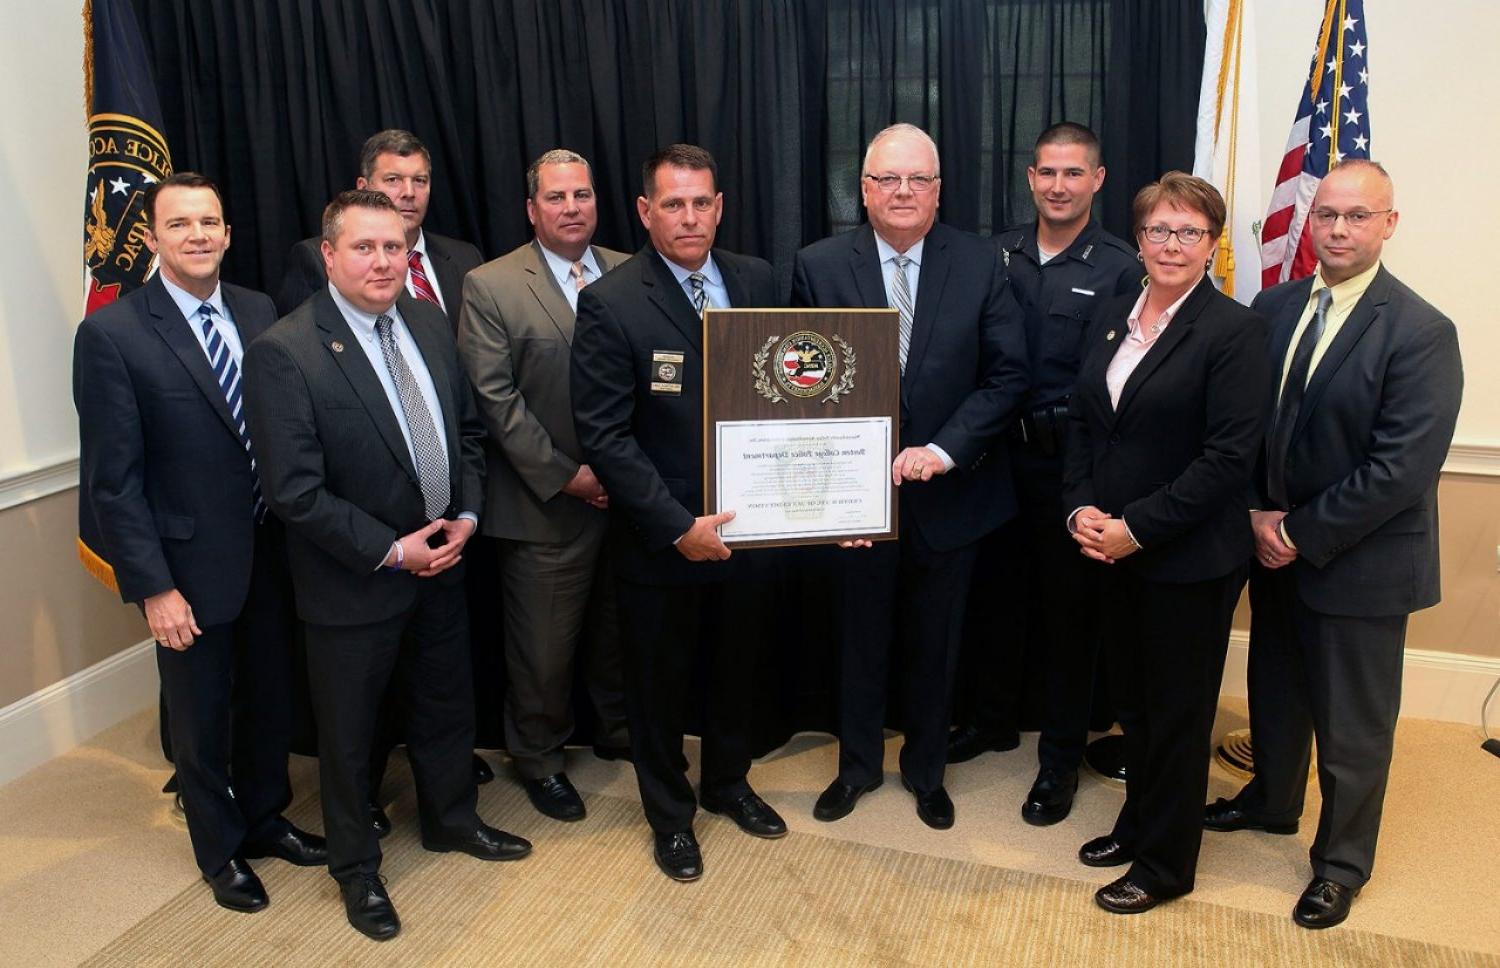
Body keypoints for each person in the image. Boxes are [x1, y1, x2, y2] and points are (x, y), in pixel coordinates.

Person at [243, 190, 530, 941]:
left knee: (445, 706)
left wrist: (467, 517)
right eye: (364, 248)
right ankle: (357, 868)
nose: (381, 261)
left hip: (445, 561)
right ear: (328, 255)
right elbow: (293, 492)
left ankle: (450, 821)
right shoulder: (287, 349)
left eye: (394, 247)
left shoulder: (433, 323)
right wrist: (391, 549)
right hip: (355, 579)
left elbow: (467, 435)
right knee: (349, 736)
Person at [1203, 160, 1462, 929]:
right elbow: (1244, 426)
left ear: (1388, 224)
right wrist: (1256, 512)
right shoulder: (1274, 306)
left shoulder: (1420, 330)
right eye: (1327, 216)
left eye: (1357, 216)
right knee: (1277, 696)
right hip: (1271, 545)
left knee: (1353, 728)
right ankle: (1274, 804)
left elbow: (1401, 468)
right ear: (1307, 223)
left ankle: (1341, 864)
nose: (1339, 230)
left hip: (1361, 562)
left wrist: (1299, 532)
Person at [73, 172, 325, 912]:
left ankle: (264, 816)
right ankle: (220, 852)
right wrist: (153, 586)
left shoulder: (258, 310)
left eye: (210, 222)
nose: (198, 235)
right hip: (184, 567)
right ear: (153, 238)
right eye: (180, 224)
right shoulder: (113, 333)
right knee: (202, 717)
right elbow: (112, 482)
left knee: (270, 702)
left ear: (228, 232)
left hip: (272, 552)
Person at [790, 123, 1029, 830]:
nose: (902, 192)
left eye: (917, 180)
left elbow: (1008, 372)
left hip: (952, 492)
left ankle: (927, 772)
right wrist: (835, 494)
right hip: (856, 501)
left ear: (937, 191)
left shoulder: (982, 262)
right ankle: (857, 767)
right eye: (887, 179)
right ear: (862, 191)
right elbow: (799, 384)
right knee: (859, 639)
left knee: (938, 641)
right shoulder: (818, 265)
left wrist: (945, 449)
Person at [571, 144, 785, 882]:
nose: (689, 217)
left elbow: (790, 397)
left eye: (701, 202)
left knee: (739, 670)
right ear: (645, 212)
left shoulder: (759, 280)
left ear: (720, 206)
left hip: (751, 528)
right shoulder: (612, 300)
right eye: (673, 204)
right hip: (661, 540)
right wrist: (675, 526)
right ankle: (670, 816)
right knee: (658, 689)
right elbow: (603, 432)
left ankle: (727, 783)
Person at [1065, 172, 1268, 915]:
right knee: (1135, 709)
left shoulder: (1235, 331)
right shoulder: (1116, 313)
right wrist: (1079, 510)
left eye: (1188, 231)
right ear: (1139, 238)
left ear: (1211, 244)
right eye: (1158, 230)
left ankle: (1166, 864)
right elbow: (1087, 423)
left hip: (1186, 560)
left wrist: (1137, 530)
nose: (1171, 244)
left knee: (1178, 717)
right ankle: (1137, 819)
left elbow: (1226, 460)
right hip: (1109, 549)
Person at [949, 123, 1141, 829]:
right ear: (1030, 179)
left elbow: (1115, 387)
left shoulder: (1122, 266)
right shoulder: (992, 255)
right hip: (995, 460)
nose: (1059, 186)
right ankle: (993, 721)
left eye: (1073, 173)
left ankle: (1060, 758)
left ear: (1097, 181)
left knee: (1069, 618)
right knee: (997, 602)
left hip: (1071, 466)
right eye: (1047, 173)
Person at [456, 149, 631, 822]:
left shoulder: (628, 270)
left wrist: (627, 476)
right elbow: (495, 401)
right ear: (532, 209)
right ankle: (537, 757)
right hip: (544, 504)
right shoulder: (491, 285)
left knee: (618, 633)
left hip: (629, 500)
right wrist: (572, 477)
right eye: (555, 198)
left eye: (581, 195)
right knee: (543, 649)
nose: (571, 208)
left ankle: (616, 731)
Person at [275, 129, 483, 320]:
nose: (409, 192)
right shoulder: (318, 259)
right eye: (393, 179)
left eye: (420, 180)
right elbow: (302, 346)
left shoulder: (465, 257)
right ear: (364, 188)